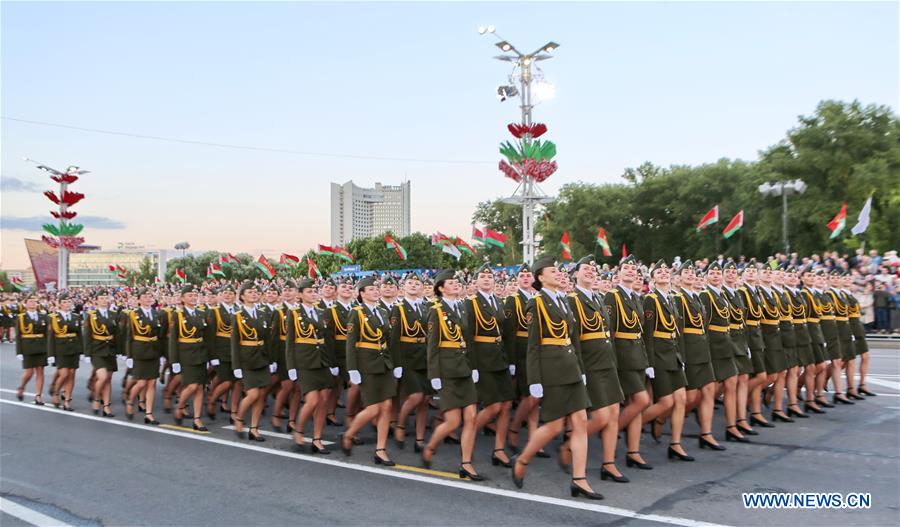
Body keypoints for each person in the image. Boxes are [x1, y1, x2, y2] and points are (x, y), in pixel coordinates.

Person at [511, 254, 602, 500]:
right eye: (553, 271)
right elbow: (533, 346)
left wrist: (581, 370)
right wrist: (535, 380)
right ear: (540, 277)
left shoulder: (564, 301)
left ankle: (579, 479)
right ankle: (523, 459)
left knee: (581, 421)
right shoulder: (536, 303)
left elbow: (574, 340)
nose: (558, 274)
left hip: (571, 367)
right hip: (551, 370)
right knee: (553, 425)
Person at [569, 256, 628, 481]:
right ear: (575, 274)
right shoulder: (572, 300)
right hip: (590, 363)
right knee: (601, 417)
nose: (591, 272)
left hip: (607, 362)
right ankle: (570, 445)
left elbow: (608, 334)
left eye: (593, 269)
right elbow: (572, 338)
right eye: (586, 269)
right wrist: (579, 368)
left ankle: (609, 463)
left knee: (613, 414)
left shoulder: (598, 298)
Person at [421, 270, 482, 479]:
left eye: (457, 281)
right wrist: (434, 374)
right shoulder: (436, 310)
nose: (456, 284)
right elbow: (432, 345)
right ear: (441, 288)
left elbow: (469, 339)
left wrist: (473, 366)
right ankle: (431, 446)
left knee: (471, 417)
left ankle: (466, 462)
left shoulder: (462, 307)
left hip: (464, 368)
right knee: (453, 422)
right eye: (451, 282)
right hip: (446, 370)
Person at [342, 276, 398, 466]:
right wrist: (353, 370)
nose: (376, 291)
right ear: (362, 294)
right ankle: (349, 434)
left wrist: (394, 363)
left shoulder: (383, 312)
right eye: (371, 289)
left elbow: (389, 340)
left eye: (376, 289)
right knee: (374, 407)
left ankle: (380, 449)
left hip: (384, 363)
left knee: (387, 406)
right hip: (366, 364)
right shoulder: (356, 313)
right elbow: (350, 344)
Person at [642, 260, 694, 461]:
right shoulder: (651, 300)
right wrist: (650, 363)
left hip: (673, 354)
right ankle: (634, 424)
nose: (664, 273)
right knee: (666, 402)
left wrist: (682, 355)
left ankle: (675, 443)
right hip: (659, 355)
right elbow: (648, 334)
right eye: (659, 272)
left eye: (666, 271)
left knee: (681, 399)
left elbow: (677, 331)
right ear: (652, 279)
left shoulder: (672, 299)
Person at [605, 255, 653, 470]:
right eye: (627, 269)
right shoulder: (612, 297)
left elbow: (640, 331)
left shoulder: (635, 297)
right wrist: (613, 360)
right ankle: (609, 434)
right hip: (623, 356)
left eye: (634, 270)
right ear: (618, 274)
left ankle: (633, 451)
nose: (631, 272)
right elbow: (611, 332)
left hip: (637, 355)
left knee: (637, 404)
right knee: (641, 401)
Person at [465, 264, 515, 468]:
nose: (487, 279)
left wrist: (510, 361)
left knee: (506, 405)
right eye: (483, 276)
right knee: (493, 406)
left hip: (499, 358)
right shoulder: (471, 303)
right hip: (482, 359)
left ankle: (499, 449)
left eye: (490, 276)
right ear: (475, 281)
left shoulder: (498, 302)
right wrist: (473, 365)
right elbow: (467, 337)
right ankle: (469, 435)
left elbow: (505, 333)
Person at [674, 261, 725, 450]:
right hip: (690, 350)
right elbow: (677, 330)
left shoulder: (696, 297)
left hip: (703, 349)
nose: (690, 275)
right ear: (679, 277)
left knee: (709, 390)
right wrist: (682, 356)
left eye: (692, 273)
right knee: (692, 396)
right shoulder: (678, 298)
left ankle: (706, 433)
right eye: (686, 272)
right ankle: (664, 419)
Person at [286, 278, 337, 454]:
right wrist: (291, 366)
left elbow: (328, 340)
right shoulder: (293, 313)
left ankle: (317, 438)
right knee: (313, 400)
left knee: (323, 400)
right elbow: (290, 343)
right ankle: (298, 430)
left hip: (322, 360)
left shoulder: (323, 312)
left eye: (315, 291)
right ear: (300, 295)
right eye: (309, 291)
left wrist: (332, 363)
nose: (313, 294)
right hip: (304, 361)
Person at [505, 264, 547, 458]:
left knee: (535, 398)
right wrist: (512, 359)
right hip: (522, 351)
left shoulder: (538, 298)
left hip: (538, 349)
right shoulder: (513, 300)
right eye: (521, 275)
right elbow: (510, 332)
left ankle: (534, 440)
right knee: (530, 396)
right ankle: (514, 428)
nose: (525, 278)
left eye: (528, 275)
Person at [702, 262, 747, 442]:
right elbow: (703, 324)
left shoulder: (722, 295)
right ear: (706, 277)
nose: (715, 276)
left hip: (726, 343)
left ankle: (732, 426)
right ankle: (706, 432)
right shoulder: (706, 295)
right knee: (710, 388)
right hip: (713, 344)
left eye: (717, 273)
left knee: (732, 382)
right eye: (711, 273)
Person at [389, 272, 431, 452]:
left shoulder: (427, 307)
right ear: (403, 287)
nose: (414, 285)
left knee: (426, 399)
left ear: (422, 287)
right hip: (407, 357)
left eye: (417, 283)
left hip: (425, 356)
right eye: (410, 283)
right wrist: (396, 363)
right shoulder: (398, 309)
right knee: (415, 396)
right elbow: (394, 339)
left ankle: (420, 438)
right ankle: (400, 424)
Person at [231, 281, 274, 441]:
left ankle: (254, 428)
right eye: (249, 292)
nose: (254, 294)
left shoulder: (263, 313)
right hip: (246, 359)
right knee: (253, 394)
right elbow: (234, 342)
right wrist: (236, 366)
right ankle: (239, 418)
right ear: (242, 296)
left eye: (256, 292)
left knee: (262, 395)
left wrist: (271, 359)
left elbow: (267, 339)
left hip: (262, 358)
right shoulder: (237, 315)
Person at [722, 262, 756, 434]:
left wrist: (746, 343)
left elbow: (742, 319)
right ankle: (731, 425)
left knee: (743, 379)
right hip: (727, 340)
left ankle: (741, 419)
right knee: (730, 382)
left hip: (740, 338)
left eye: (733, 271)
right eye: (727, 271)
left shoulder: (736, 293)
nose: (730, 274)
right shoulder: (719, 293)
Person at [170, 284, 209, 431]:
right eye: (189, 296)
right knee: (192, 385)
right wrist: (174, 361)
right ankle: (179, 406)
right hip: (186, 354)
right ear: (182, 298)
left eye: (194, 295)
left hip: (200, 353)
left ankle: (197, 419)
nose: (193, 298)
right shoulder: (178, 315)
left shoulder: (201, 313)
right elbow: (173, 339)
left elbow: (206, 336)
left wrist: (209, 356)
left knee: (200, 387)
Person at [124, 288, 164, 425]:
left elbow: (160, 334)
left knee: (152, 383)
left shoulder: (156, 313)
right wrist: (129, 356)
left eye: (150, 296)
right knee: (141, 382)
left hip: (153, 350)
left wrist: (162, 353)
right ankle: (130, 400)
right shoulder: (133, 315)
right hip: (139, 350)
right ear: (139, 300)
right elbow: (129, 336)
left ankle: (149, 413)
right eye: (145, 297)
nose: (148, 299)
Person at [325, 277, 358, 429]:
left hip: (356, 350)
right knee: (335, 384)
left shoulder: (357, 307)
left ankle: (351, 414)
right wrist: (331, 361)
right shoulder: (331, 310)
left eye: (350, 287)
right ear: (337, 290)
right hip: (339, 351)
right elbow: (329, 338)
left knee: (348, 384)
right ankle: (331, 413)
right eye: (343, 286)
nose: (347, 289)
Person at [206, 285, 239, 421]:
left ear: (235, 296)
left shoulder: (239, 310)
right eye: (225, 293)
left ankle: (234, 412)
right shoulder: (215, 311)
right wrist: (212, 356)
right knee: (227, 382)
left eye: (231, 293)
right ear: (221, 295)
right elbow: (210, 336)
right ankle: (212, 400)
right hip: (222, 352)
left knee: (238, 383)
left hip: (237, 352)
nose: (228, 295)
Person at [83, 290, 118, 417]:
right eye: (101, 298)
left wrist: (120, 351)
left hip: (110, 349)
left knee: (108, 379)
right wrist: (86, 353)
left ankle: (107, 406)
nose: (104, 300)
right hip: (97, 350)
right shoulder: (91, 315)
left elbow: (117, 334)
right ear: (96, 301)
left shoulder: (113, 314)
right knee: (102, 377)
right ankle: (97, 398)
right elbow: (87, 335)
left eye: (106, 298)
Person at [47, 292, 82, 411]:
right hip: (60, 349)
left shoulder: (76, 317)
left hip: (74, 349)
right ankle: (56, 392)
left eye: (68, 302)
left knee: (72, 374)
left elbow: (79, 334)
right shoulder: (53, 317)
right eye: (64, 302)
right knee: (64, 374)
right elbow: (50, 337)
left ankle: (67, 400)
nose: (67, 304)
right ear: (59, 304)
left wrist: (81, 351)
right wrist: (51, 354)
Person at [15, 293, 48, 405]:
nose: (33, 303)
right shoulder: (21, 317)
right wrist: (19, 351)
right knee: (29, 372)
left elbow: (47, 334)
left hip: (41, 347)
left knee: (40, 371)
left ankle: (38, 396)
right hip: (27, 347)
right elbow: (18, 335)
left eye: (34, 301)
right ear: (26, 304)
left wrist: (49, 350)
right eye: (30, 301)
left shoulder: (43, 316)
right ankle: (22, 386)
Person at [845, 275, 875, 396]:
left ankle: (862, 385)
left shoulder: (852, 294)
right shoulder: (841, 294)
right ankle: (850, 388)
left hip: (858, 326)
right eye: (847, 280)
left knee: (866, 356)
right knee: (844, 361)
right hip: (849, 327)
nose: (851, 283)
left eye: (850, 280)